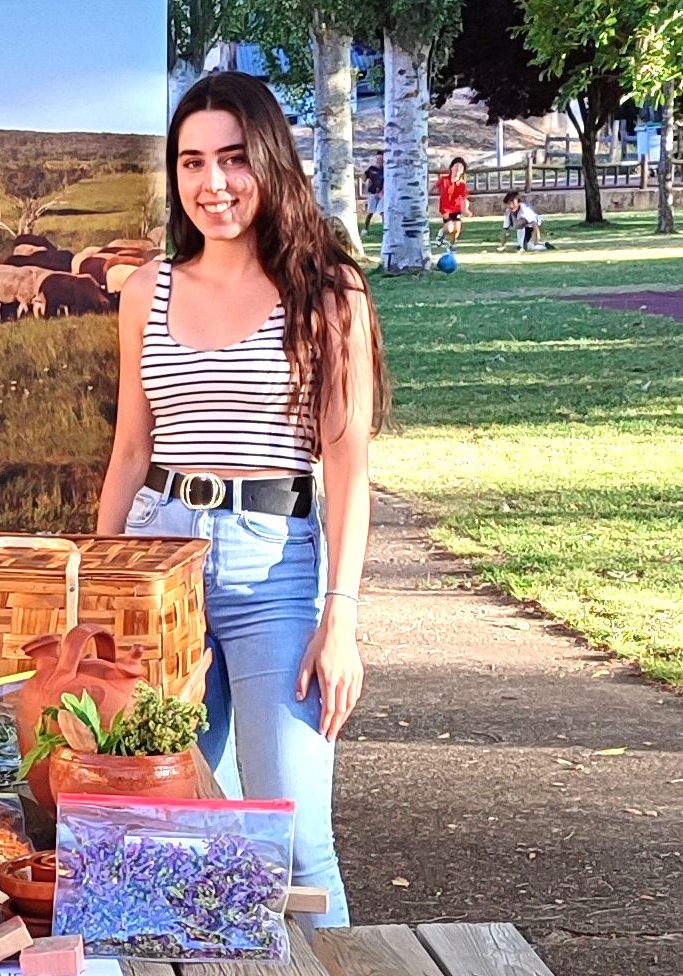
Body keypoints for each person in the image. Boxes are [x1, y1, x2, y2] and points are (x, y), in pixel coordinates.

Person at [96, 72, 389, 930]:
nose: (212, 183)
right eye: (192, 162)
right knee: (154, 825)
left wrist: (341, 620)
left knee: (297, 838)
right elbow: (130, 445)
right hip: (158, 562)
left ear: (270, 161)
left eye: (232, 159)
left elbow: (348, 466)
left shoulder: (329, 291)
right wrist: (100, 583)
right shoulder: (144, 289)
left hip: (275, 571)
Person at [434, 157, 470, 250]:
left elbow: (464, 199)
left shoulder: (462, 184)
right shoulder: (444, 179)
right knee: (449, 228)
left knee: (457, 229)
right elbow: (433, 187)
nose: (458, 168)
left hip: (456, 208)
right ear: (451, 168)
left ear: (463, 171)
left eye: (461, 167)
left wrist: (466, 209)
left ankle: (451, 245)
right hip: (445, 208)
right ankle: (441, 233)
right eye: (456, 165)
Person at [361, 151, 384, 235]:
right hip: (372, 193)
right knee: (370, 211)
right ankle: (365, 229)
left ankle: (386, 229)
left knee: (383, 211)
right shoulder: (371, 169)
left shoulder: (386, 170)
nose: (379, 160)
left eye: (381, 159)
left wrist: (382, 192)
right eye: (378, 159)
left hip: (382, 194)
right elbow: (363, 178)